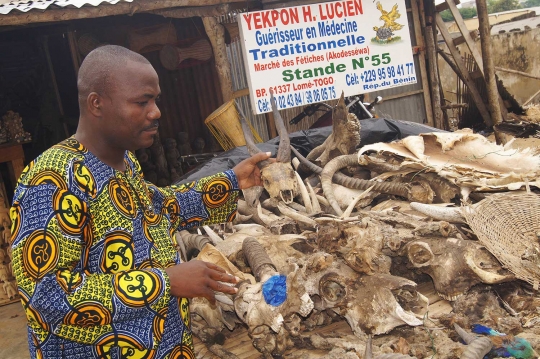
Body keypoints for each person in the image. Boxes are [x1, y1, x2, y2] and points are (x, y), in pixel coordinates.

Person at [10, 45, 271, 359]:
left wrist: (231, 182)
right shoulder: (50, 181)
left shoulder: (124, 163)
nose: (156, 111)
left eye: (156, 99)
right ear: (96, 104)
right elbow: (46, 295)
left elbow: (161, 209)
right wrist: (164, 283)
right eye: (142, 101)